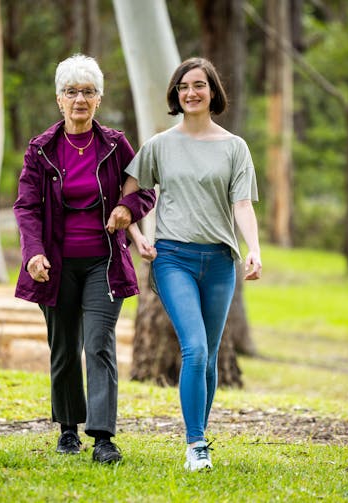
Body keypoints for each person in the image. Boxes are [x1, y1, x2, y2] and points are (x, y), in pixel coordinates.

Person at [107, 57, 262, 471]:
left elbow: (242, 204)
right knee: (193, 347)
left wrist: (255, 248)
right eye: (183, 86)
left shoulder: (235, 147)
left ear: (213, 92)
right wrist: (139, 236)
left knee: (209, 356)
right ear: (176, 95)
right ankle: (196, 445)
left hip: (219, 262)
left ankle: (200, 435)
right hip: (172, 257)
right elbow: (129, 195)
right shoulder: (159, 145)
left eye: (199, 85)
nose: (190, 92)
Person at [13, 54, 156, 464]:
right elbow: (25, 207)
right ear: (59, 99)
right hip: (55, 266)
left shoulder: (114, 144)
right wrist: (33, 253)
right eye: (72, 92)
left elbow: (143, 186)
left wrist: (129, 208)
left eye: (88, 92)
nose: (80, 99)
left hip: (103, 263)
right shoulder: (42, 149)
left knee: (99, 345)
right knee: (64, 348)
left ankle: (104, 437)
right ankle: (68, 429)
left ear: (99, 99)